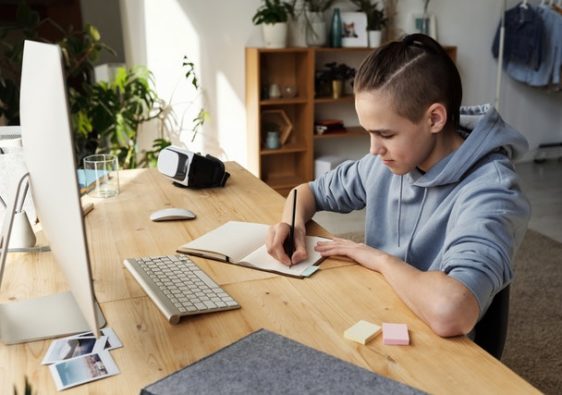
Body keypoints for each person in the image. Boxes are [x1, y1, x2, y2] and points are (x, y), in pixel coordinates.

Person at [265, 34, 530, 338]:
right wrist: (292, 223)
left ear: (434, 118)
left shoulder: (492, 192)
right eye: (368, 132)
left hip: (442, 348)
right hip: (381, 313)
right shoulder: (387, 162)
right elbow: (306, 192)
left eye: (386, 134)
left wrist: (377, 258)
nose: (374, 149)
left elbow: (452, 312)